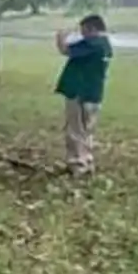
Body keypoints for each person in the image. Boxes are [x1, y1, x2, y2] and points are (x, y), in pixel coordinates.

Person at [54, 14, 113, 175]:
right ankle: (87, 160)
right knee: (87, 130)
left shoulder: (92, 44)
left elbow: (65, 50)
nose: (82, 35)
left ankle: (77, 164)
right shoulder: (105, 45)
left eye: (84, 31)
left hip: (80, 93)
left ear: (93, 29)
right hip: (94, 94)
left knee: (75, 129)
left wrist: (60, 36)